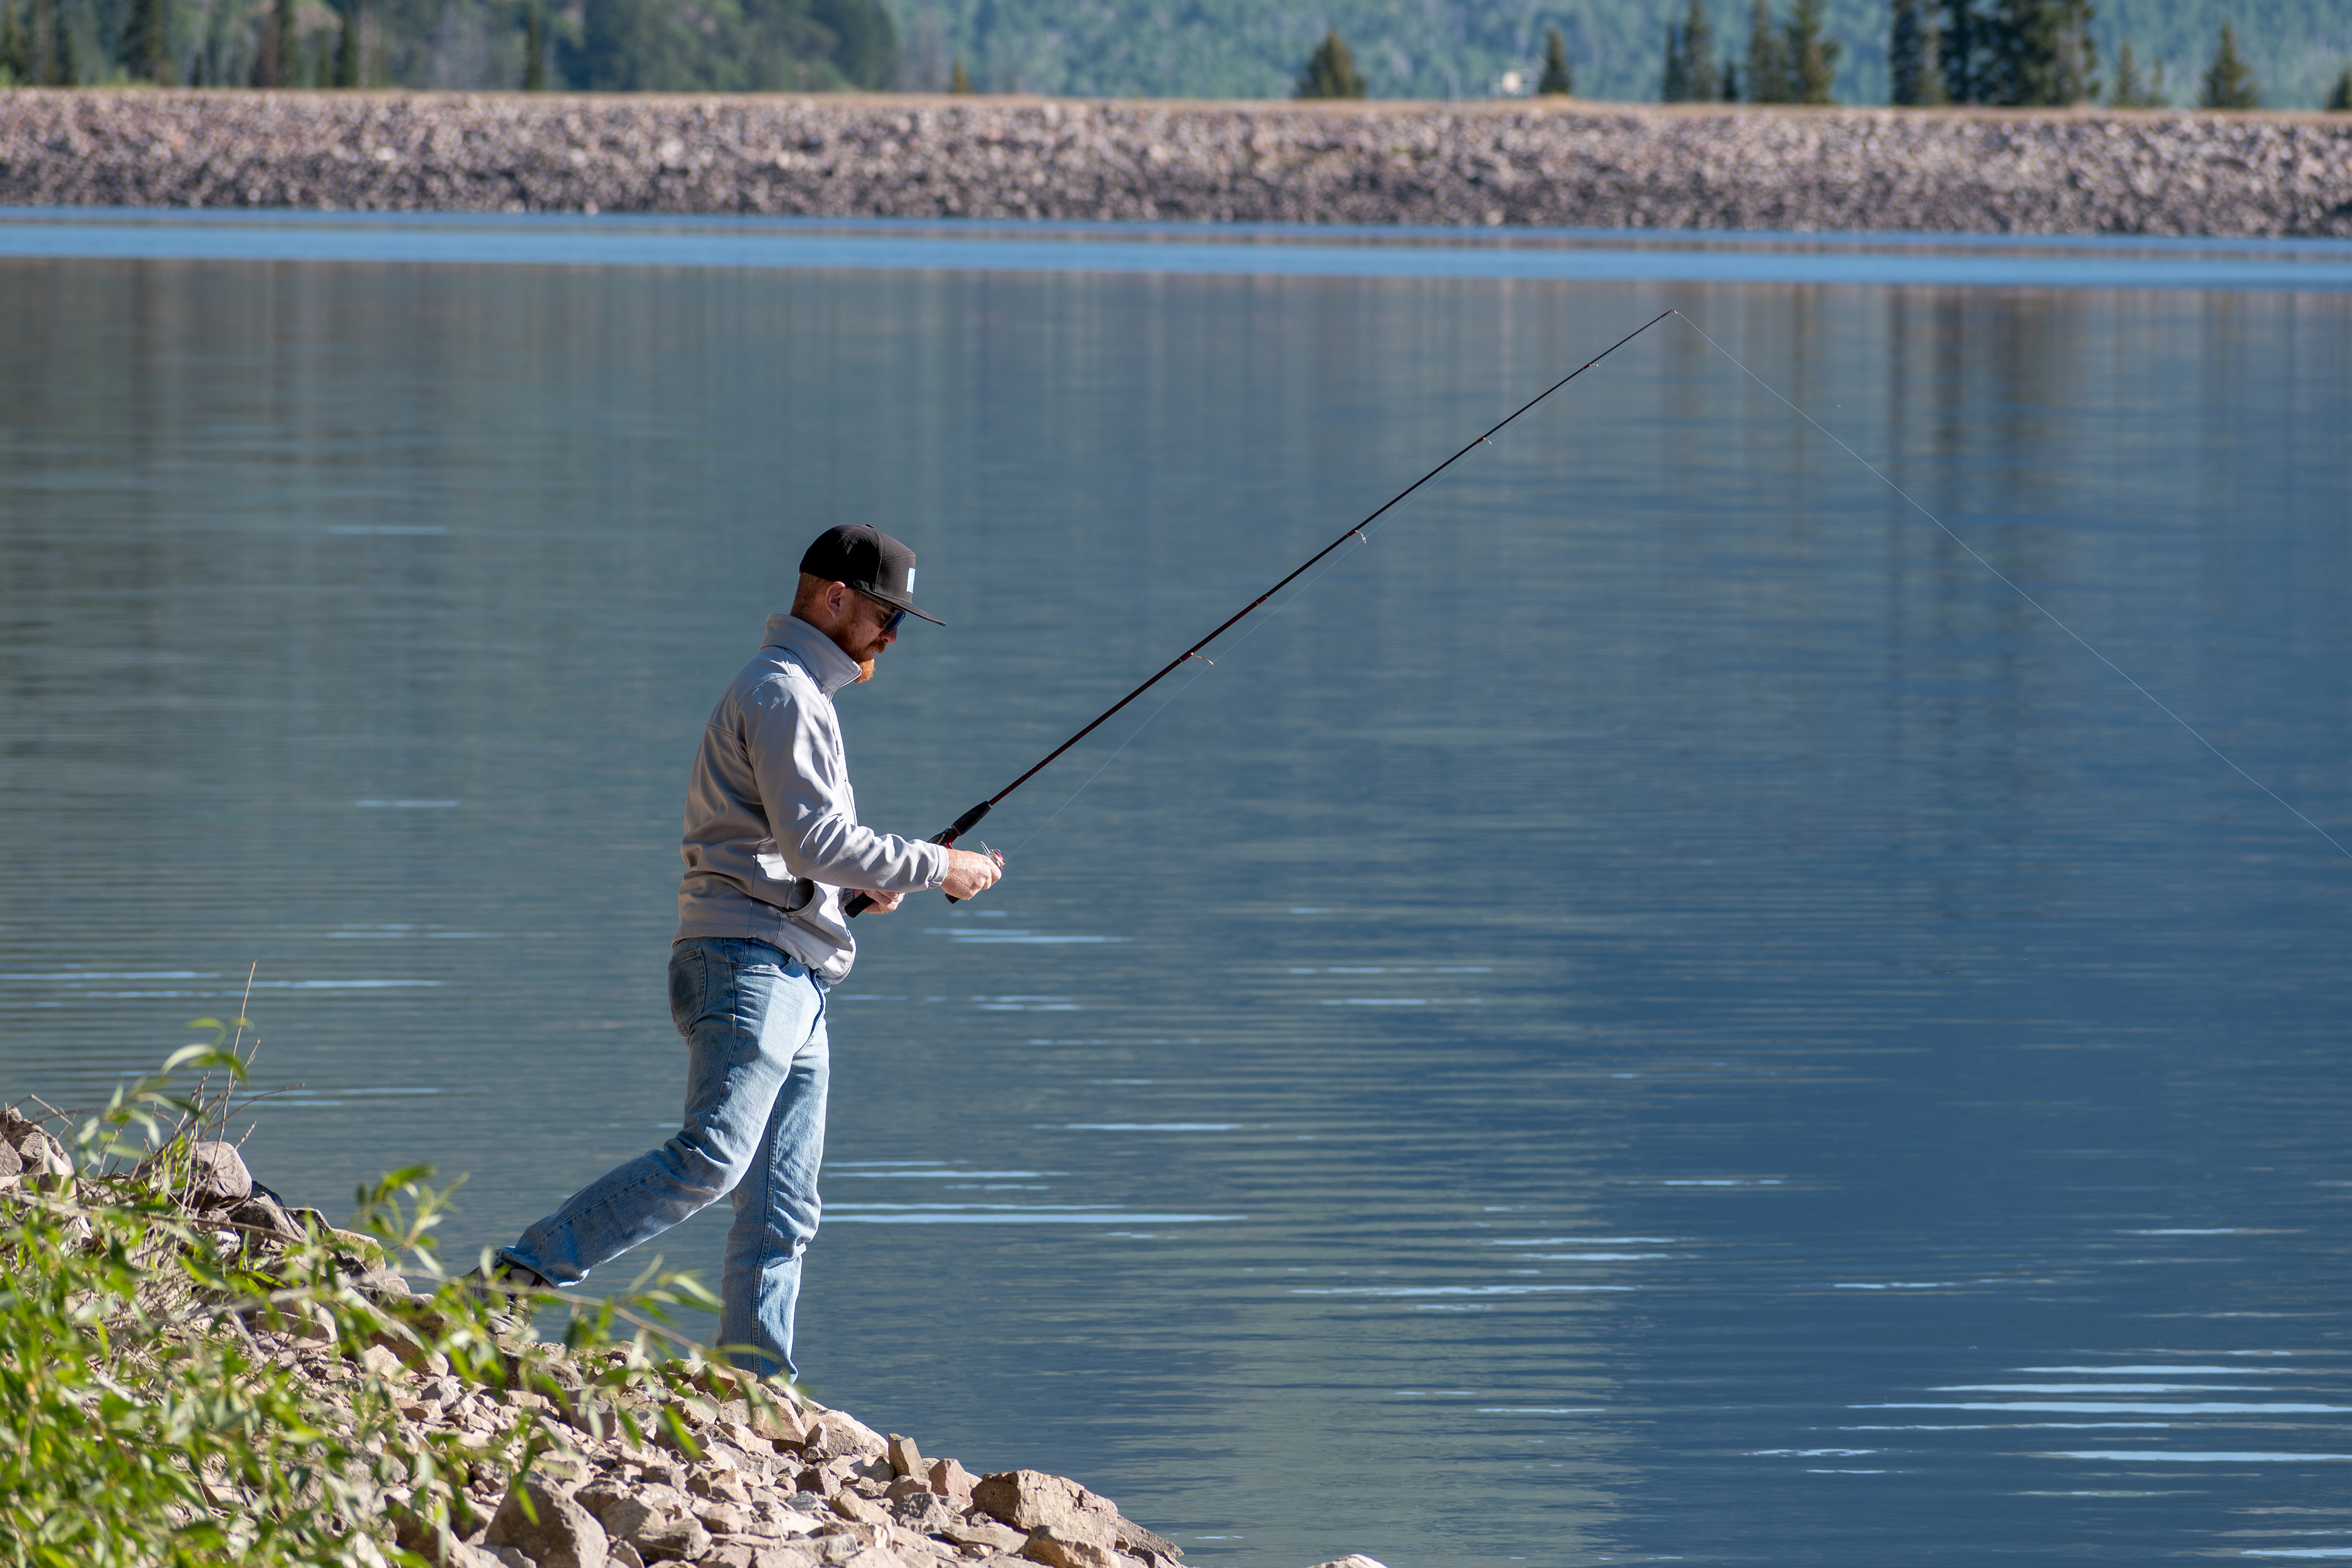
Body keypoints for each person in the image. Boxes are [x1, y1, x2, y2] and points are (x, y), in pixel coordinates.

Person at [481, 524, 1003, 1379]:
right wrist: (938, 863)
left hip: (789, 968)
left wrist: (853, 893)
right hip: (749, 963)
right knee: (715, 1157)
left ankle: (758, 1387)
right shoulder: (784, 692)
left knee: (783, 1207)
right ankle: (513, 1280)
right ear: (834, 598)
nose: (892, 636)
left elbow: (795, 853)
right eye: (884, 615)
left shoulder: (797, 694)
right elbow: (814, 841)